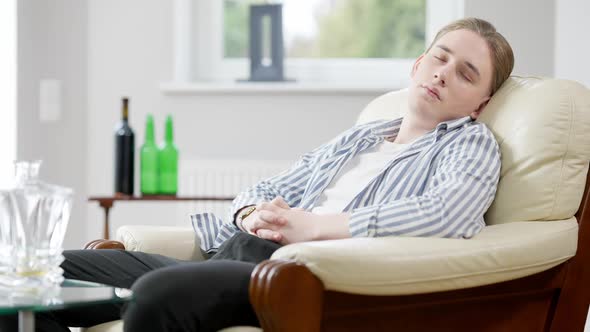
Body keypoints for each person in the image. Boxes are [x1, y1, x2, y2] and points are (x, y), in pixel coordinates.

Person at [0, 17, 514, 332]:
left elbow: (448, 212)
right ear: (418, 65)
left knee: (158, 297)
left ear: (480, 103)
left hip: (300, 276)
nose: (444, 73)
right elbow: (272, 187)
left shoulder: (471, 143)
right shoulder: (361, 136)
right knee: (40, 277)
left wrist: (311, 227)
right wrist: (253, 211)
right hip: (239, 252)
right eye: (440, 59)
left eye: (466, 73)